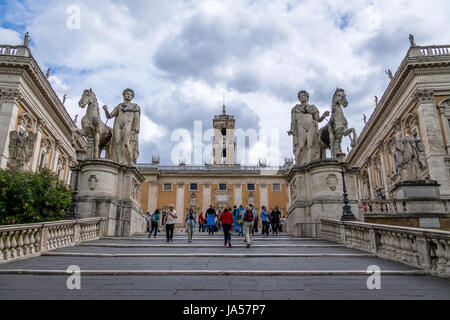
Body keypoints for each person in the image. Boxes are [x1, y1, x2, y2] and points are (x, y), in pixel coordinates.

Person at [103, 88, 140, 165]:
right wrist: (105, 110)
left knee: (126, 143)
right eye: (127, 94)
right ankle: (118, 162)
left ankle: (130, 162)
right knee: (116, 143)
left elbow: (137, 118)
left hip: (128, 124)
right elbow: (109, 116)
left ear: (132, 97)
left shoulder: (135, 106)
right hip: (118, 124)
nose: (129, 96)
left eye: (130, 95)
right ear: (123, 95)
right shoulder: (118, 106)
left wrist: (135, 129)